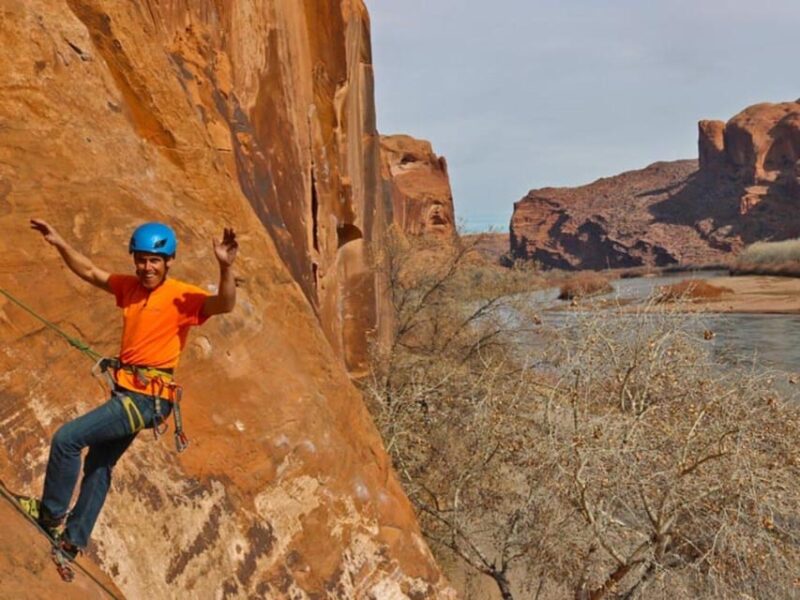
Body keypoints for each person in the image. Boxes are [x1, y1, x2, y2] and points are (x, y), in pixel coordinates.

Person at [24, 218, 238, 561]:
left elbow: (224, 304)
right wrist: (60, 242)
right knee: (100, 463)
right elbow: (91, 272)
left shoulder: (182, 296)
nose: (147, 267)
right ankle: (73, 541)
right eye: (141, 259)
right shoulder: (130, 288)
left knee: (67, 440)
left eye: (155, 261)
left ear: (169, 261)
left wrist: (225, 267)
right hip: (128, 392)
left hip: (148, 399)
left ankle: (50, 516)